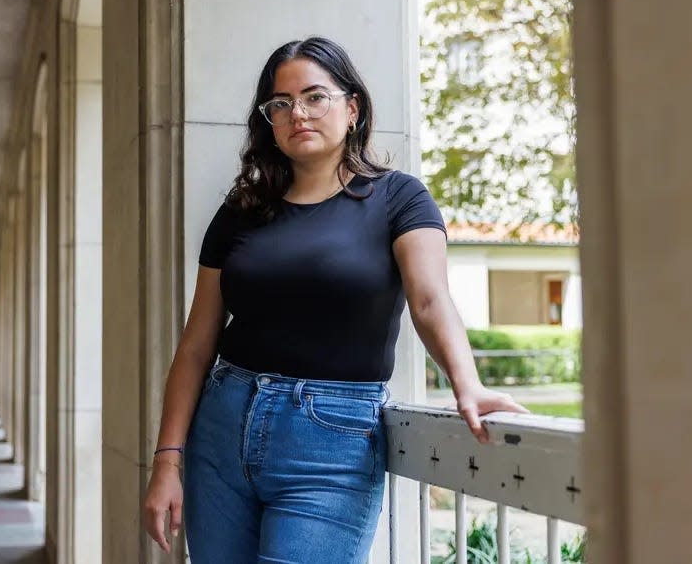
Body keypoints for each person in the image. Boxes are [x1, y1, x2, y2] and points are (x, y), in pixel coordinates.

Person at [143, 36, 529, 563]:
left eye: (314, 96)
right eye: (280, 104)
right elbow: (195, 345)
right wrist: (167, 460)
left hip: (330, 441)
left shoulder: (399, 198)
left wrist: (468, 384)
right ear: (269, 124)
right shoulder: (241, 211)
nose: (297, 112)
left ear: (353, 108)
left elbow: (431, 300)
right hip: (221, 429)